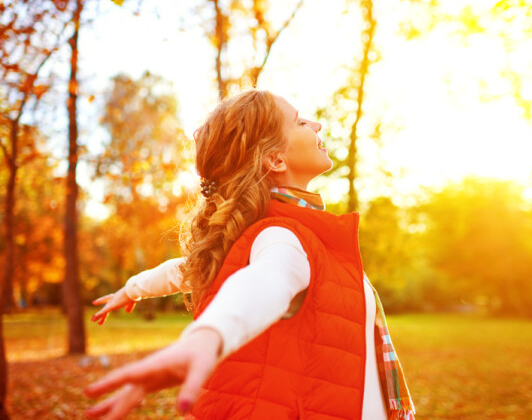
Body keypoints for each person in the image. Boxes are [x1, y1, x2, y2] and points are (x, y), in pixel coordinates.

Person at [84, 89, 415, 420]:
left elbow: (188, 268)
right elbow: (263, 284)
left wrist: (132, 288)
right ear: (276, 160)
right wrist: (208, 336)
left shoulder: (283, 233)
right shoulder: (282, 235)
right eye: (300, 122)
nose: (316, 125)